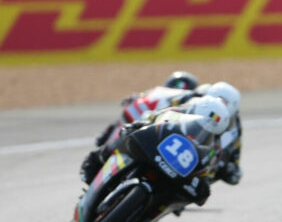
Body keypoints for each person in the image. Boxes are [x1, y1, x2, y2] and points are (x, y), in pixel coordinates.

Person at [80, 79, 244, 187]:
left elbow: (235, 160)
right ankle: (97, 157)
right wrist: (140, 102)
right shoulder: (191, 97)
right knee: (133, 129)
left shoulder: (234, 129)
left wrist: (231, 169)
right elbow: (160, 98)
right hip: (168, 136)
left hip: (193, 162)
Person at [93, 70, 200, 146]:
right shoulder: (186, 96)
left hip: (130, 115)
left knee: (117, 126)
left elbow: (131, 99)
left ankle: (104, 136)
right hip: (147, 123)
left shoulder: (157, 90)